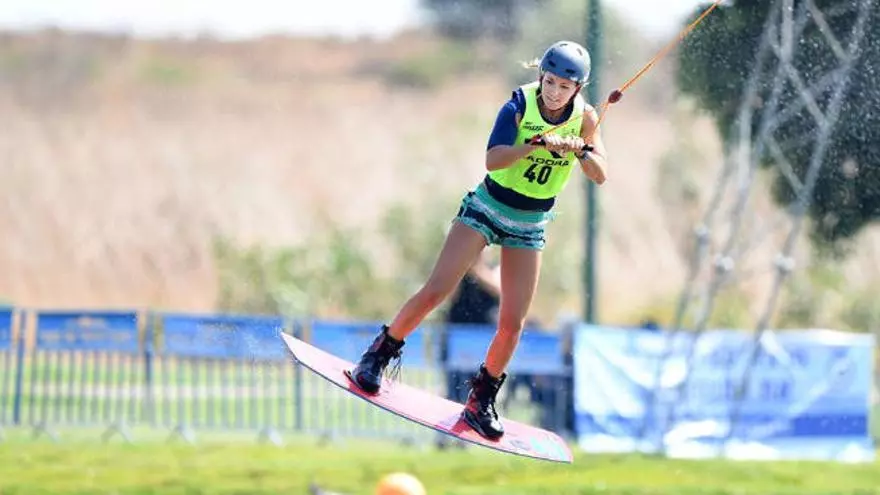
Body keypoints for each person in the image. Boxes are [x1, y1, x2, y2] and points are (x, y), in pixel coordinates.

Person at [347, 40, 609, 440]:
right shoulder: (518, 105)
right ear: (541, 76)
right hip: (487, 208)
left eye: (564, 86)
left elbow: (601, 174)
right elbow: (493, 158)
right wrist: (537, 144)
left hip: (529, 224)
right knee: (436, 290)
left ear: (578, 88)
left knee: (512, 323)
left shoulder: (585, 119)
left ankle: (480, 401)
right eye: (550, 82)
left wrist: (582, 151)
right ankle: (376, 357)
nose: (555, 92)